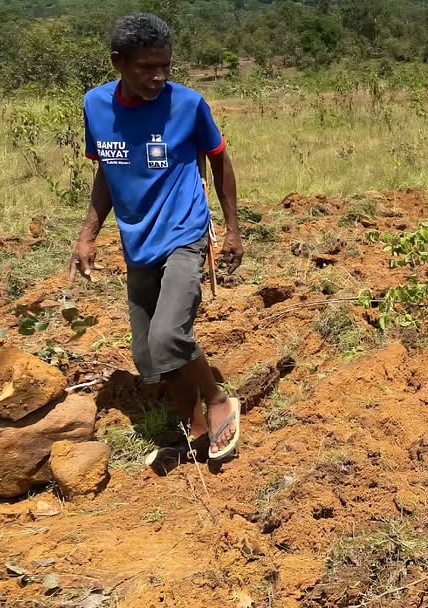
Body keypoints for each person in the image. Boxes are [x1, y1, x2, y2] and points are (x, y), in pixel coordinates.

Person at [70, 13, 243, 465]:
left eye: (164, 65)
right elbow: (106, 172)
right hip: (137, 240)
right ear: (118, 63)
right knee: (150, 357)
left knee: (169, 335)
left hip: (184, 233)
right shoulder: (96, 106)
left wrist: (232, 230)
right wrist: (87, 236)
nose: (158, 76)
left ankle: (217, 398)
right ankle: (196, 430)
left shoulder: (187, 104)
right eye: (147, 67)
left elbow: (220, 160)